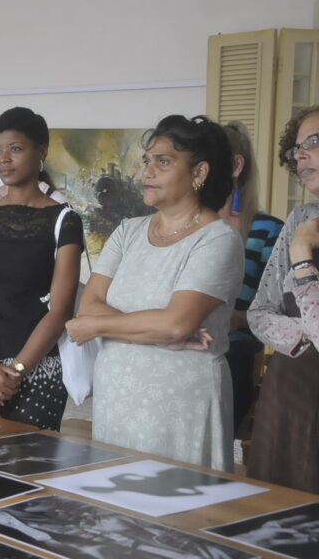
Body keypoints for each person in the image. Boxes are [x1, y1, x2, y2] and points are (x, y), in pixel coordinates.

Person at [65, 114, 243, 471]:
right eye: (147, 161)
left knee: (179, 511)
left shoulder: (218, 239)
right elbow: (90, 304)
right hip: (118, 394)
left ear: (199, 173)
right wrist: (160, 332)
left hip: (182, 399)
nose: (147, 173)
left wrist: (99, 327)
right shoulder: (128, 232)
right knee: (114, 508)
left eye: (163, 162)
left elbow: (176, 323)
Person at [0, 107, 83, 430]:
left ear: (42, 151)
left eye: (15, 149)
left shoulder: (64, 221)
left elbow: (60, 309)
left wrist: (16, 372)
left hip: (37, 369)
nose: (4, 159)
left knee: (26, 472)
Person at [247, 106, 319, 493]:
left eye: (315, 142)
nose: (301, 154)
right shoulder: (300, 217)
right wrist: (302, 337)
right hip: (290, 392)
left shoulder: (301, 234)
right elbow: (259, 313)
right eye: (297, 149)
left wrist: (304, 253)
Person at [217, 122, 283, 435]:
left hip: (232, 362)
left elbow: (281, 313)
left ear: (235, 165)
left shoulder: (270, 230)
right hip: (172, 356)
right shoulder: (182, 225)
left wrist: (233, 319)